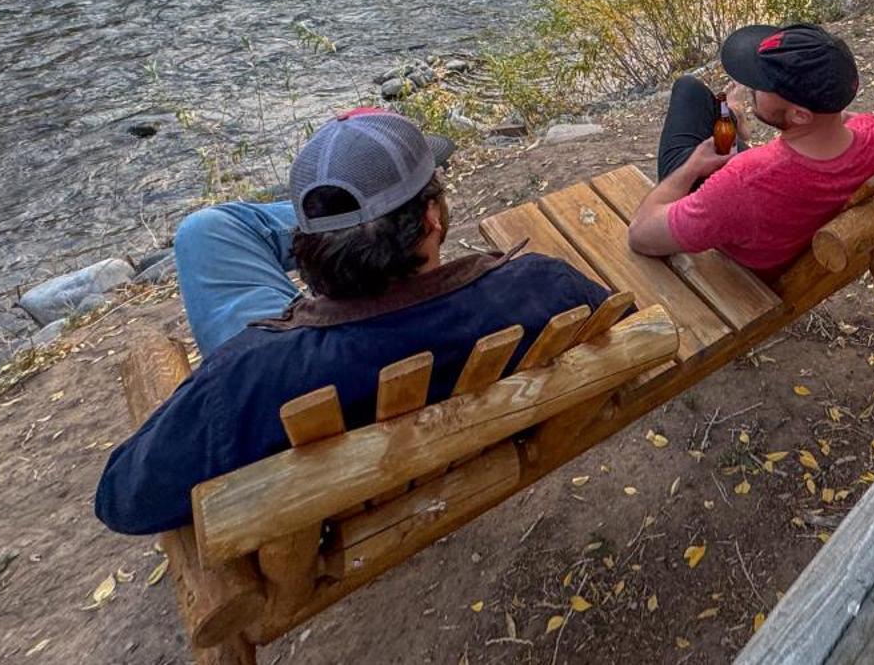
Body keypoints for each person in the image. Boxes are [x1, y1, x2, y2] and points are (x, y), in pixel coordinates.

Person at [95, 107, 607, 535]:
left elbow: (124, 498)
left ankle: (340, 224)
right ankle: (362, 219)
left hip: (314, 414)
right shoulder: (539, 286)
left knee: (206, 229)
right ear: (433, 221)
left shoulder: (247, 379)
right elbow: (616, 317)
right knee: (209, 228)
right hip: (402, 391)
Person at [627, 23, 874, 278]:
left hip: (746, 272)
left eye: (762, 85)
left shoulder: (743, 182)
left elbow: (640, 234)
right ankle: (733, 119)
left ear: (799, 116)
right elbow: (840, 119)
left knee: (688, 89)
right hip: (786, 219)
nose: (751, 87)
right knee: (704, 104)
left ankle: (733, 119)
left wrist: (693, 167)